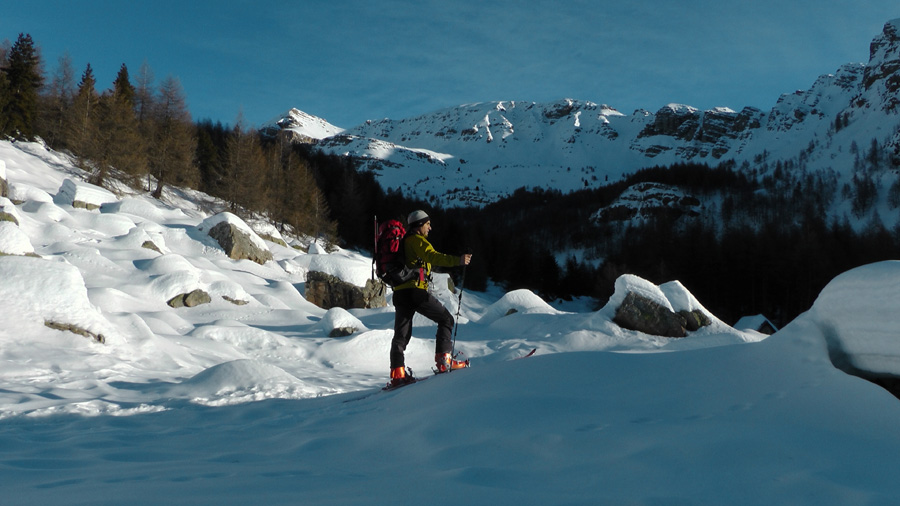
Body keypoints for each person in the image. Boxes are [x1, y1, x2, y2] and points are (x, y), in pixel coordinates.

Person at [389, 210, 472, 387]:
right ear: (419, 225)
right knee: (446, 319)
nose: (430, 227)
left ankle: (398, 373)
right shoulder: (417, 241)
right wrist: (458, 261)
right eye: (427, 224)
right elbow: (433, 256)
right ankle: (444, 361)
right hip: (415, 291)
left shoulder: (405, 242)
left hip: (400, 292)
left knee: (401, 336)